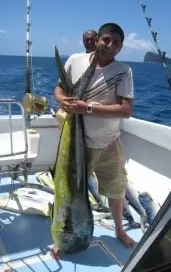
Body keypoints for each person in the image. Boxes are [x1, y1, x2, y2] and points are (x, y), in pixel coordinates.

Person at [54, 22, 135, 250]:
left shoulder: (124, 71)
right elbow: (59, 88)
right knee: (69, 191)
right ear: (97, 39)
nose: (111, 46)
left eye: (117, 43)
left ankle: (119, 230)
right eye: (107, 40)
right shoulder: (75, 61)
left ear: (121, 47)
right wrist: (60, 99)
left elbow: (125, 110)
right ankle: (62, 234)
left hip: (110, 142)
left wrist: (86, 108)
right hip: (80, 144)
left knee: (116, 189)